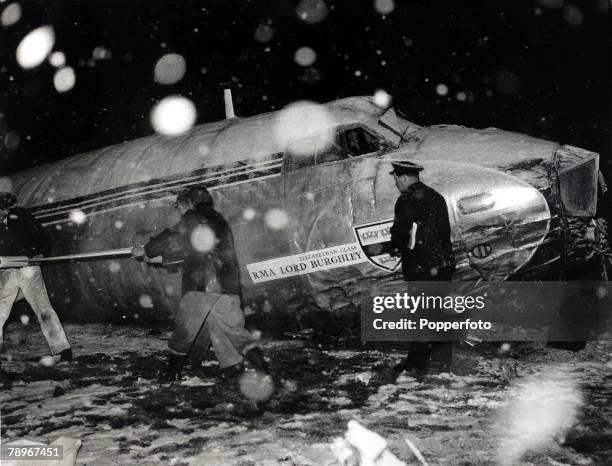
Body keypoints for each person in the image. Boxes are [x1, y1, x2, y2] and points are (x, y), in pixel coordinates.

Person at [133, 187, 269, 382]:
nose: (179, 211)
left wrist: (146, 250)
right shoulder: (218, 219)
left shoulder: (193, 217)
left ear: (188, 203)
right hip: (227, 287)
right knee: (235, 332)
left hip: (201, 285)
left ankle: (171, 373)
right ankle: (258, 366)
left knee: (184, 330)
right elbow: (197, 249)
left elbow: (172, 236)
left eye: (179, 206)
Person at [387, 161, 456, 376]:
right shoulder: (436, 196)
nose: (397, 184)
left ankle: (416, 365)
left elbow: (402, 231)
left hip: (422, 267)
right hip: (443, 265)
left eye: (397, 179)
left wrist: (395, 247)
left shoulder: (406, 199)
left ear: (405, 178)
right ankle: (443, 360)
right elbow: (442, 232)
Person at [0, 192, 72, 362]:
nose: (5, 214)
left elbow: (43, 238)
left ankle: (62, 351)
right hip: (4, 272)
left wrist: (41, 253)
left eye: (7, 210)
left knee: (44, 310)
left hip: (29, 269)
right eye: (1, 210)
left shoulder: (22, 216)